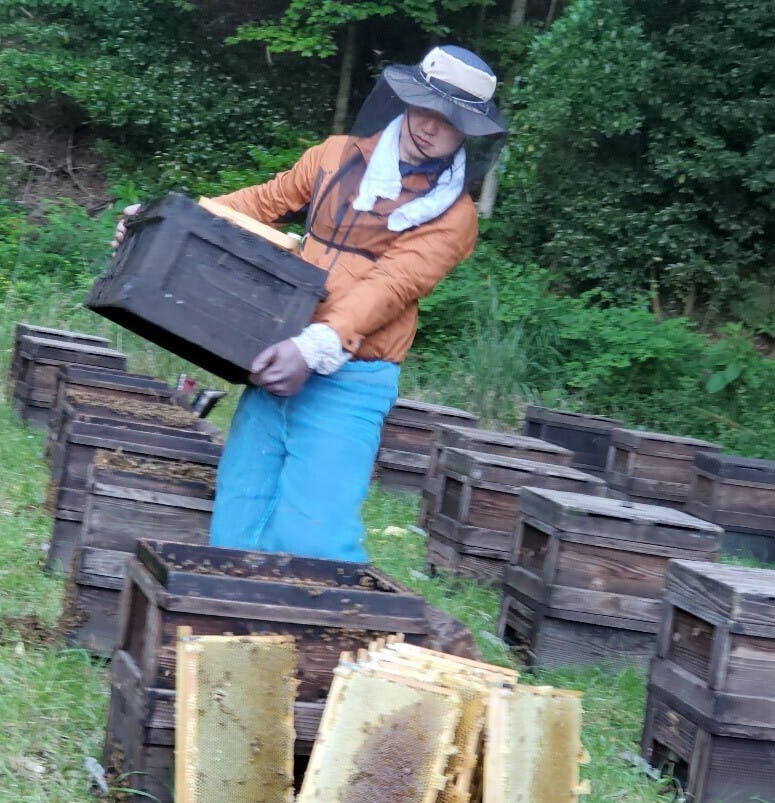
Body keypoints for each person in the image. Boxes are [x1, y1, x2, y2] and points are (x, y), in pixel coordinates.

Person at [113, 45, 506, 562]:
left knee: (314, 545)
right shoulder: (335, 155)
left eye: (450, 120)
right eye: (425, 106)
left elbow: (390, 285)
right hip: (276, 354)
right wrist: (163, 221)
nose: (430, 126)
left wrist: (314, 347)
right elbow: (259, 204)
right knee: (236, 526)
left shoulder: (454, 217)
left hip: (350, 379)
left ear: (468, 133)